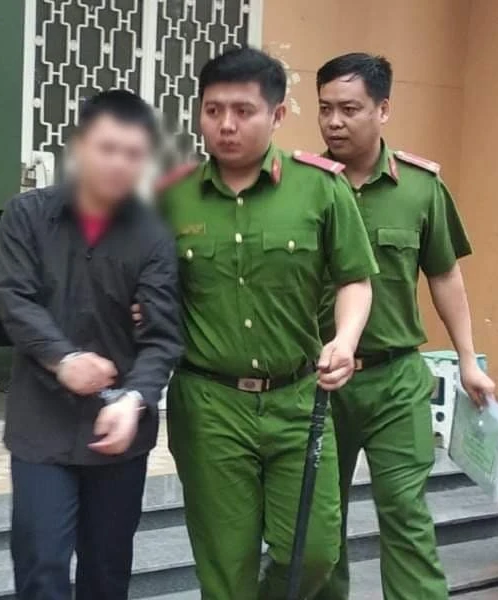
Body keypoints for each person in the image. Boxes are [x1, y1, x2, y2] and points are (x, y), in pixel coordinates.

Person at [157, 47, 378, 600]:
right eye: (213, 110)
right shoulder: (172, 197)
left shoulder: (320, 187)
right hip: (209, 406)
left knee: (314, 551)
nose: (226, 125)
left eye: (243, 111)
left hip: (299, 400)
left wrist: (345, 340)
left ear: (277, 115)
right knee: (224, 568)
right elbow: (145, 293)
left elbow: (355, 279)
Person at [311, 53, 497, 600]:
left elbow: (445, 275)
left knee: (405, 512)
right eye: (325, 109)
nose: (334, 122)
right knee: (319, 520)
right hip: (318, 382)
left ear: (383, 109)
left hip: (395, 381)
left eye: (349, 109)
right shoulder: (303, 185)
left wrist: (468, 360)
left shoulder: (420, 188)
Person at [0, 89, 183, 600]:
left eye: (133, 153)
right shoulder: (27, 216)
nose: (119, 163)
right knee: (41, 568)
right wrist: (63, 359)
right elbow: (14, 298)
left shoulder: (153, 236)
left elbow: (162, 337)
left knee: (107, 573)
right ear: (79, 147)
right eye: (107, 148)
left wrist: (135, 399)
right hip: (41, 428)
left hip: (120, 431)